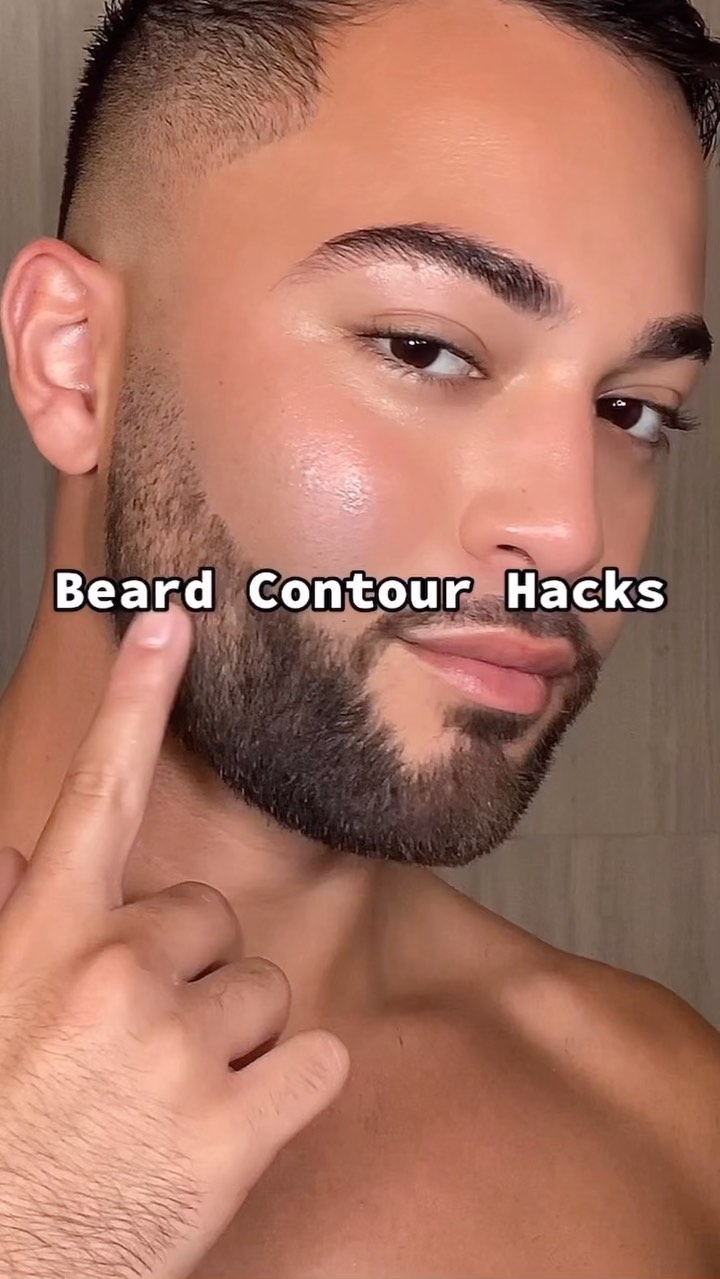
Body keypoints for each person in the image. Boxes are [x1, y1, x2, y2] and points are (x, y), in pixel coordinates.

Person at [0, 0, 719, 1274]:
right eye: (426, 349)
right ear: (73, 361)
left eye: (633, 411)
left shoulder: (669, 1125)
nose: (570, 536)